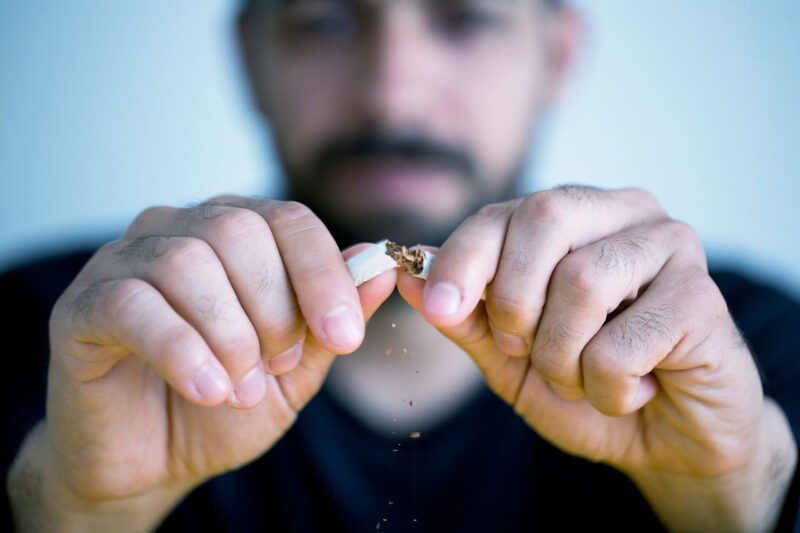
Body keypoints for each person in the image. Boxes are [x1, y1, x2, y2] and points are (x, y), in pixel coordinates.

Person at [3, 0, 799, 530]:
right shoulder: (68, 341)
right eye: (326, 19)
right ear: (251, 58)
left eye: (464, 18)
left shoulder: (740, 351)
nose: (393, 96)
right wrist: (72, 511)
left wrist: (735, 499)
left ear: (555, 57)